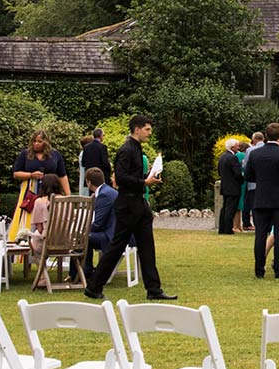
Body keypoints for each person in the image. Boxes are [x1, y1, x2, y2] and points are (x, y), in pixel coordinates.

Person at [84, 115, 174, 301]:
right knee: (117, 246)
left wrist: (147, 179)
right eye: (147, 129)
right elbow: (122, 178)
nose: (150, 133)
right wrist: (144, 181)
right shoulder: (126, 150)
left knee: (147, 246)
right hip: (127, 204)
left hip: (138, 203)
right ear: (137, 129)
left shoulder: (136, 148)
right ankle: (93, 286)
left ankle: (153, 289)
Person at [248, 122, 279, 279]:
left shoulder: (255, 154)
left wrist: (262, 180)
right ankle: (278, 269)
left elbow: (248, 176)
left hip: (261, 198)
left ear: (266, 135)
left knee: (260, 235)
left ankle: (259, 269)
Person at [13, 131, 68, 199]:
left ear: (46, 142)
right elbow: (16, 174)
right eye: (34, 141)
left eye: (39, 141)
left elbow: (62, 175)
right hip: (30, 191)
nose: (36, 144)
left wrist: (68, 195)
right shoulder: (25, 154)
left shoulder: (55, 154)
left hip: (51, 190)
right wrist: (31, 175)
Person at [214, 137, 246, 235]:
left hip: (225, 186)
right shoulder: (233, 158)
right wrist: (241, 180)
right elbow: (237, 173)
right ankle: (228, 229)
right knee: (231, 209)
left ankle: (222, 228)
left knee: (225, 208)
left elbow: (219, 171)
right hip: (233, 187)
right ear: (232, 147)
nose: (238, 147)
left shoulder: (222, 157)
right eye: (237, 146)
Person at [84, 166, 117, 253]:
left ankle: (84, 266)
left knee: (82, 237)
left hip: (110, 236)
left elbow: (98, 224)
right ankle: (85, 266)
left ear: (89, 182)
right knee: (85, 236)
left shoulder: (104, 195)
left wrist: (83, 230)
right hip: (115, 233)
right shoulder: (109, 191)